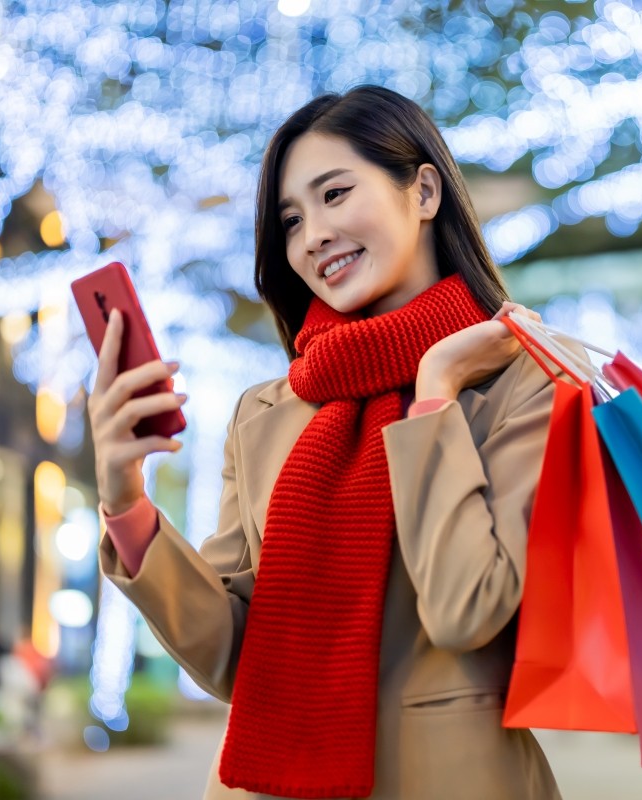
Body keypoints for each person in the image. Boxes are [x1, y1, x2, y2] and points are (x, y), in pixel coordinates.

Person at [90, 85, 563, 799]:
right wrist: (126, 506)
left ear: (425, 190)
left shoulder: (526, 384)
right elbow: (234, 657)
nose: (311, 235)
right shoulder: (266, 413)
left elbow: (468, 608)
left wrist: (435, 393)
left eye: (335, 194)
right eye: (290, 219)